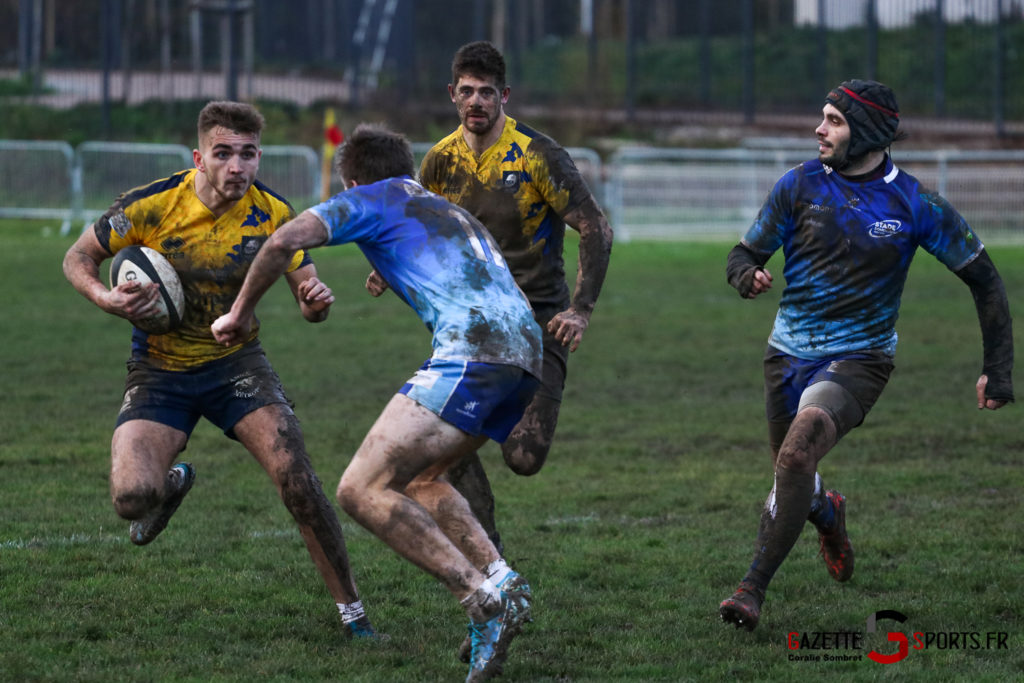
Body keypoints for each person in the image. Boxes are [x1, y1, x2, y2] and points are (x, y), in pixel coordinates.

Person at [211, 123, 542, 682]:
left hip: (474, 352)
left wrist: (239, 313)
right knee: (424, 478)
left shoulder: (368, 197)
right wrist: (385, 267)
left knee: (359, 489)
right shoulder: (435, 203)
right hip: (525, 354)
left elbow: (282, 241)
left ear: (354, 179)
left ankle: (479, 600)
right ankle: (503, 581)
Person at [62, 100, 378, 639]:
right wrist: (104, 298)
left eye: (248, 154)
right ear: (199, 157)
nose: (238, 166)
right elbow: (77, 258)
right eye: (224, 153)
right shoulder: (151, 205)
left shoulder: (275, 214)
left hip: (237, 367)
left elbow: (307, 291)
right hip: (159, 369)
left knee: (299, 482)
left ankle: (354, 614)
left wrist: (315, 301)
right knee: (131, 499)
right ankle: (170, 484)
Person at [719, 79, 1014, 631]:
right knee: (795, 479)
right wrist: (746, 275)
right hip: (785, 355)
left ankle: (751, 589)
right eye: (822, 117)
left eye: (833, 120)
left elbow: (986, 279)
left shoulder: (914, 202)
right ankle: (828, 513)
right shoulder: (798, 185)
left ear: (869, 132)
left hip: (861, 359)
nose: (818, 129)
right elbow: (743, 252)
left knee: (796, 453)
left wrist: (998, 370)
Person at [416, 40, 614, 559]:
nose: (476, 101)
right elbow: (421, 230)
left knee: (524, 456)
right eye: (466, 92)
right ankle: (492, 558)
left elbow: (594, 227)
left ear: (504, 95)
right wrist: (385, 266)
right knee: (442, 441)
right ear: (452, 95)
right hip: (471, 325)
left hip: (539, 321)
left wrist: (580, 308)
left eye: (486, 92)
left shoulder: (536, 153)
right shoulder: (439, 161)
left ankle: (492, 417)